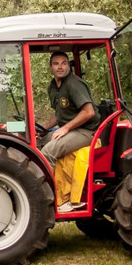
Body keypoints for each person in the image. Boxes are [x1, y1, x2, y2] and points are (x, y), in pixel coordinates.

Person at [40, 51, 99, 210]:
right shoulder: (52, 86)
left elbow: (88, 112)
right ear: (50, 67)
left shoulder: (74, 84)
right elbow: (58, 113)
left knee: (48, 152)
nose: (60, 67)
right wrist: (42, 129)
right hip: (69, 129)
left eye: (64, 63)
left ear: (68, 65)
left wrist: (65, 128)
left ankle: (51, 199)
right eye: (56, 64)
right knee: (37, 143)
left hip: (86, 131)